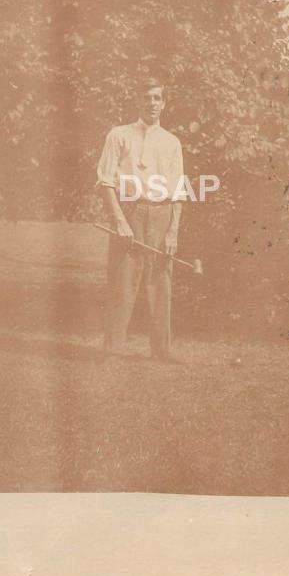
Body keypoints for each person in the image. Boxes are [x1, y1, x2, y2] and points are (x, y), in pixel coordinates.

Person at [96, 76, 185, 363]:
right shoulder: (118, 135)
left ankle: (162, 351)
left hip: (162, 215)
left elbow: (177, 191)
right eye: (146, 97)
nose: (152, 103)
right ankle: (112, 350)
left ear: (164, 103)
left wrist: (172, 232)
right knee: (123, 281)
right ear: (137, 101)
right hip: (129, 213)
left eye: (157, 97)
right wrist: (120, 220)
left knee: (161, 283)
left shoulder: (172, 142)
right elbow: (105, 182)